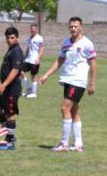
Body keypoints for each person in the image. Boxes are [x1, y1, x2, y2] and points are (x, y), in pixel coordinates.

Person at [40, 16, 97, 152]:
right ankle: (78, 144)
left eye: (76, 26)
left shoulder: (87, 43)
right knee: (73, 110)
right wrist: (47, 74)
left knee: (64, 108)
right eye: (71, 26)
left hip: (78, 81)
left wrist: (92, 83)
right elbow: (59, 60)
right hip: (67, 80)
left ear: (81, 27)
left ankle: (64, 144)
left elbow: (93, 64)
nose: (73, 28)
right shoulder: (66, 43)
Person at [0, 26, 24, 150]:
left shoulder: (16, 51)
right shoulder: (11, 50)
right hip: (5, 89)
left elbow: (15, 70)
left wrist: (4, 85)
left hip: (11, 89)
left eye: (12, 37)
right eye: (8, 38)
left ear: (17, 38)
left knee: (10, 114)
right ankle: (8, 132)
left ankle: (10, 142)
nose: (10, 40)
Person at [21, 23, 44, 98]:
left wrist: (38, 58)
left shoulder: (39, 38)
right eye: (31, 29)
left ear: (36, 29)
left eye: (34, 29)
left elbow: (42, 49)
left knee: (33, 75)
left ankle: (34, 93)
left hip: (34, 60)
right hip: (28, 59)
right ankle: (28, 89)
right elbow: (28, 48)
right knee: (21, 72)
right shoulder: (29, 38)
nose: (32, 30)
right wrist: (24, 57)